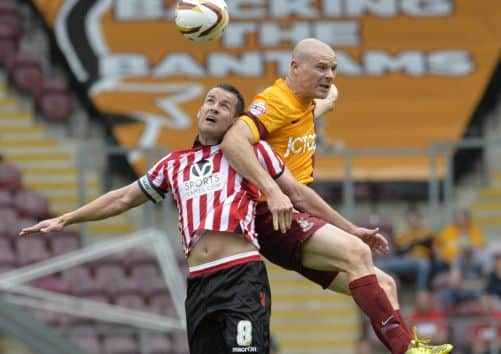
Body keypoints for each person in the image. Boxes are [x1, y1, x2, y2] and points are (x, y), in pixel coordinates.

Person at [221, 38, 453, 354]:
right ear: (294, 67)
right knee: (358, 253)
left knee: (386, 285)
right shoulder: (276, 101)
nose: (329, 75)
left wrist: (323, 95)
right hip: (271, 215)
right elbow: (233, 142)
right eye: (320, 67)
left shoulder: (304, 105)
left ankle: (407, 347)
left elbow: (329, 97)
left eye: (333, 68)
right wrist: (273, 191)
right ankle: (407, 349)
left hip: (294, 214)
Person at [19, 84, 286, 354]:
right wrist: (67, 218)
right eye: (210, 101)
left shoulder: (251, 153)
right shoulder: (174, 163)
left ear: (236, 121)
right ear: (199, 111)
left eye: (224, 105)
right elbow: (122, 198)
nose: (214, 107)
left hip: (240, 278)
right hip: (199, 284)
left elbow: (295, 191)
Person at [376, 207, 433, 294]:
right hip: (405, 262)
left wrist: (412, 244)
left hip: (420, 261)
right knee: (380, 265)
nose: (412, 221)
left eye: (414, 218)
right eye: (410, 218)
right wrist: (410, 247)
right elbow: (398, 251)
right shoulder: (403, 235)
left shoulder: (427, 232)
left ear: (419, 219)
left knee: (424, 264)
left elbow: (430, 246)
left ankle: (421, 293)